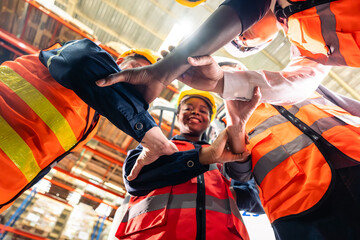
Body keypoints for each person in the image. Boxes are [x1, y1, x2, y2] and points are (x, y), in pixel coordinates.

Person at [0, 39, 177, 213]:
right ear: (120, 61)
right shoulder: (78, 55)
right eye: (137, 69)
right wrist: (149, 132)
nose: (133, 80)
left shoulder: (89, 125)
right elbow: (82, 61)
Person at [115, 89, 261, 240]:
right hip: (156, 234)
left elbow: (252, 193)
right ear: (178, 116)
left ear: (209, 119)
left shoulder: (224, 154)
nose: (195, 112)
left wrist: (231, 193)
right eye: (188, 108)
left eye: (203, 111)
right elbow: (133, 178)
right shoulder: (155, 146)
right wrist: (203, 157)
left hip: (221, 234)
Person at [223, 84, 360, 239]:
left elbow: (349, 107)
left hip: (354, 159)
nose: (235, 78)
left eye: (238, 71)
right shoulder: (229, 129)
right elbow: (240, 176)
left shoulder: (294, 85)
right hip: (302, 204)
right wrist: (236, 129)